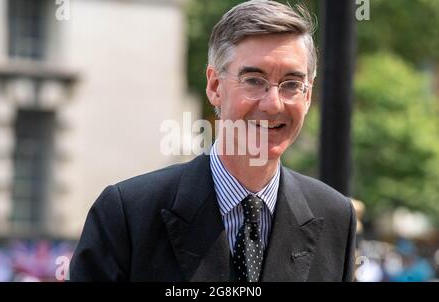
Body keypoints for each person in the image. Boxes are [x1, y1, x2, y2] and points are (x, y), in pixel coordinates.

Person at [69, 0, 356, 282]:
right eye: (254, 80)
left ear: (307, 96)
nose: (273, 104)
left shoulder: (336, 219)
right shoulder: (128, 215)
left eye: (292, 84)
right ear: (214, 87)